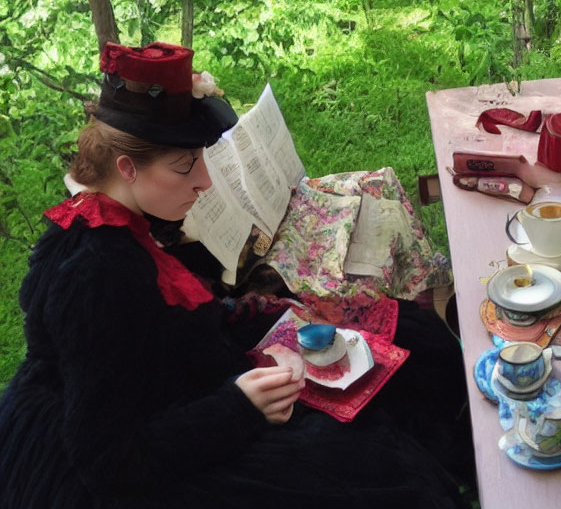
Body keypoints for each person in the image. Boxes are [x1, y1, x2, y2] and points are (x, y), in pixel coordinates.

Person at [0, 42, 476, 508]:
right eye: (185, 165)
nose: (204, 180)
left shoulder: (119, 218)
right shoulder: (94, 277)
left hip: (166, 380)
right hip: (123, 457)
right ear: (127, 168)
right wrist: (239, 408)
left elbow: (165, 320)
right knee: (367, 467)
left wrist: (268, 315)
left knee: (407, 339)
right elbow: (110, 460)